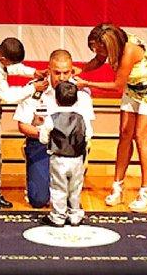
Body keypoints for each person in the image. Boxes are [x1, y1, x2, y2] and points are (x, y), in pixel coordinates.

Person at [74, 24, 147, 212]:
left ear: (108, 44)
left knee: (140, 137)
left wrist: (86, 83)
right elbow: (98, 60)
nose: (96, 51)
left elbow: (118, 85)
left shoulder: (129, 51)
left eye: (98, 48)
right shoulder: (110, 44)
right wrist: (82, 69)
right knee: (125, 134)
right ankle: (118, 187)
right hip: (133, 89)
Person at [0, 37, 48, 211]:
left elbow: (12, 67)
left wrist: (34, 72)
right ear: (3, 59)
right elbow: (10, 97)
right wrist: (34, 88)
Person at [14, 49, 95, 208]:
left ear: (72, 70)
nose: (62, 77)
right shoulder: (35, 88)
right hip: (41, 144)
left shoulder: (82, 92)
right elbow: (22, 125)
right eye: (57, 73)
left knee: (69, 201)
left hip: (70, 149)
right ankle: (36, 173)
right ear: (49, 69)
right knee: (38, 200)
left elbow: (87, 130)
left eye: (66, 72)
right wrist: (48, 135)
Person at [37, 81, 93, 227]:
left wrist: (49, 142)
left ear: (56, 99)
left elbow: (43, 138)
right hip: (77, 158)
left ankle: (58, 216)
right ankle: (75, 215)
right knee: (75, 187)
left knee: (58, 187)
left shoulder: (51, 118)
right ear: (76, 99)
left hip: (58, 158)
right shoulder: (82, 117)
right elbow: (88, 136)